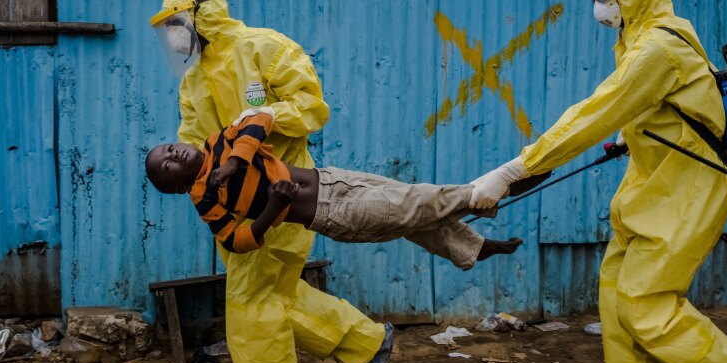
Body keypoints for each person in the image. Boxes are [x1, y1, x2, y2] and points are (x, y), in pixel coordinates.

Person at [467, 0, 727, 363]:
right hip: (652, 186)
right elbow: (672, 102)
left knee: (648, 305)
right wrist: (638, 133)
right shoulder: (641, 36)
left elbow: (595, 112)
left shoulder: (657, 46)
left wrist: (517, 169)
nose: (601, 3)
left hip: (688, 190)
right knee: (619, 303)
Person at [150, 0, 391, 363]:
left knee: (250, 304)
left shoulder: (267, 47)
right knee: (275, 297)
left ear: (202, 14)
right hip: (238, 208)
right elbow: (196, 143)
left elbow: (310, 107)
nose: (175, 37)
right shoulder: (193, 80)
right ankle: (366, 343)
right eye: (169, 30)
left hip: (283, 194)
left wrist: (254, 126)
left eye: (178, 24)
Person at [145, 109, 523, 268]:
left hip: (336, 179)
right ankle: (495, 187)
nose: (172, 152)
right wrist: (270, 210)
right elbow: (234, 241)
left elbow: (259, 119)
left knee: (413, 218)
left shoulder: (219, 142)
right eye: (167, 164)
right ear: (178, 186)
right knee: (414, 204)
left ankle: (472, 248)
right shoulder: (205, 198)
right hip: (333, 214)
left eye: (167, 148)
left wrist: (233, 163)